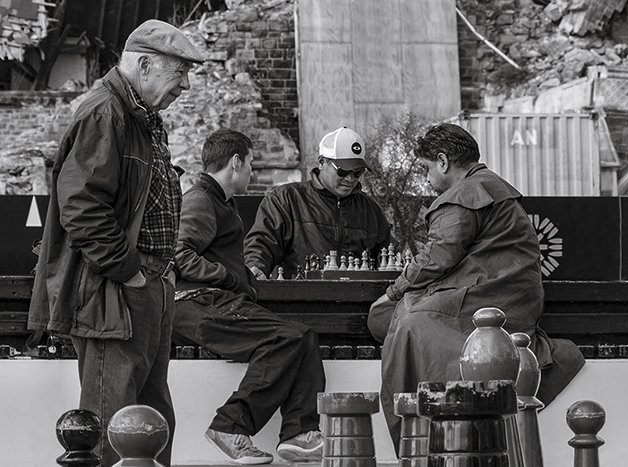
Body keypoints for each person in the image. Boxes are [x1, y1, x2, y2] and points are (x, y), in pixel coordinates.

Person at [26, 20, 204, 466]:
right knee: (116, 423)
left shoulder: (137, 116)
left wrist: (151, 275)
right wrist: (130, 271)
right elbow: (82, 206)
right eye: (179, 72)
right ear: (145, 65)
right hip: (118, 289)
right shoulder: (107, 113)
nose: (185, 85)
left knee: (147, 420)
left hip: (143, 284)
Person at [374, 123, 585, 453]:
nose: (427, 179)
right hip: (516, 301)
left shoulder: (463, 194)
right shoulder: (493, 186)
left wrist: (394, 290)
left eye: (427, 169)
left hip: (487, 299)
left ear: (443, 161)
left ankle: (425, 436)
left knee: (413, 324)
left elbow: (438, 257)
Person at [173, 129, 326, 464]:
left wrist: (242, 276)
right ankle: (230, 425)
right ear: (236, 162)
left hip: (215, 302)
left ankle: (300, 434)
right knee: (286, 339)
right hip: (196, 304)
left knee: (304, 336)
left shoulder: (218, 201)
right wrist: (229, 276)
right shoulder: (200, 199)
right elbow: (179, 254)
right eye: (252, 164)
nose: (253, 172)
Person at [244, 126, 393, 279]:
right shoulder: (286, 199)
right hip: (300, 299)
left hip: (358, 299)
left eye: (357, 172)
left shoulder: (370, 209)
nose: (350, 179)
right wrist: (256, 268)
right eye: (342, 171)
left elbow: (389, 257)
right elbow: (262, 243)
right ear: (322, 162)